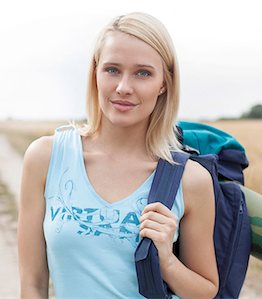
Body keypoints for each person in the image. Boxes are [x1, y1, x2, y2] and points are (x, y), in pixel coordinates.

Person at [18, 12, 219, 299]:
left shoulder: (190, 180)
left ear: (164, 83)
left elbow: (206, 291)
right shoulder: (46, 158)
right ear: (95, 73)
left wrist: (168, 261)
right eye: (112, 70)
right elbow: (32, 284)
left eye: (143, 73)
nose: (124, 87)